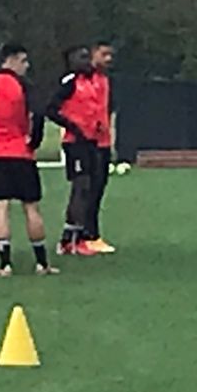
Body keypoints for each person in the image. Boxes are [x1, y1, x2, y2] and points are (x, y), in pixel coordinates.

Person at [0, 43, 60, 277]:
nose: (27, 66)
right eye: (23, 61)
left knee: (1, 207)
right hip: (20, 152)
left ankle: (4, 264)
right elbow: (39, 114)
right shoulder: (22, 85)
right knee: (31, 207)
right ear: (11, 59)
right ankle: (41, 263)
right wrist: (33, 142)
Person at [48, 46, 105, 256]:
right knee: (80, 187)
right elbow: (50, 109)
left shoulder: (90, 82)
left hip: (91, 142)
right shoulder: (70, 82)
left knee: (89, 188)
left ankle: (78, 237)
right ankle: (67, 239)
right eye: (82, 58)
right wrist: (73, 127)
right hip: (75, 143)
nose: (87, 61)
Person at [85, 41, 117, 251]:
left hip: (103, 143)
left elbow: (109, 112)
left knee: (98, 188)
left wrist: (112, 141)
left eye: (110, 55)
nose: (108, 59)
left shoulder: (105, 80)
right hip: (87, 142)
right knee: (87, 189)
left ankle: (91, 234)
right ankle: (87, 235)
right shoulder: (83, 80)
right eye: (104, 54)